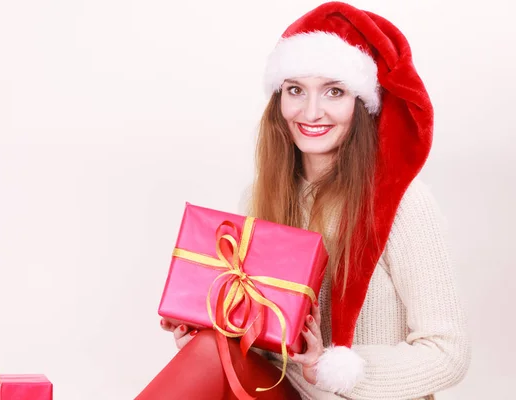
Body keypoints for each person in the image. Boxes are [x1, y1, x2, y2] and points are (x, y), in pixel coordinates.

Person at [137, 2, 471, 399]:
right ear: (279, 99)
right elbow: (269, 346)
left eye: (334, 91)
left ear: (363, 104)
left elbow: (448, 353)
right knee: (210, 349)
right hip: (287, 392)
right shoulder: (259, 197)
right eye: (296, 90)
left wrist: (327, 368)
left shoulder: (402, 203)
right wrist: (213, 340)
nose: (311, 112)